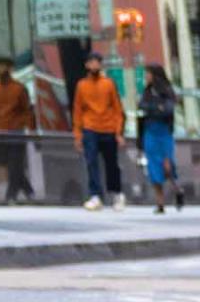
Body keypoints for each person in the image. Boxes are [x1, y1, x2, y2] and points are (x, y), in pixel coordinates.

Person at [72, 52, 126, 212]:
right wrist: (78, 134)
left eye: (97, 62)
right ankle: (95, 195)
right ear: (87, 65)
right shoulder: (81, 85)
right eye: (91, 62)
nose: (94, 65)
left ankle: (116, 193)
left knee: (112, 164)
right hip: (90, 128)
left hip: (108, 128)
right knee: (91, 162)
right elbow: (77, 111)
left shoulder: (108, 84)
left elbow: (117, 109)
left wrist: (118, 132)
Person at [0, 57, 36, 204]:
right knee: (12, 166)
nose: (0, 70)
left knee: (15, 165)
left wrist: (30, 129)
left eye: (3, 66)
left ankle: (10, 196)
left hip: (15, 132)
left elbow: (27, 111)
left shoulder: (19, 88)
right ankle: (29, 191)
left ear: (10, 69)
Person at [139, 65, 181, 214]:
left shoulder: (167, 91)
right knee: (153, 166)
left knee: (167, 165)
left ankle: (177, 189)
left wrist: (153, 109)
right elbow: (142, 107)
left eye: (148, 74)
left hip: (164, 132)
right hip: (150, 131)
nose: (146, 77)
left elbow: (168, 110)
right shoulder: (147, 92)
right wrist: (157, 108)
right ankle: (160, 202)